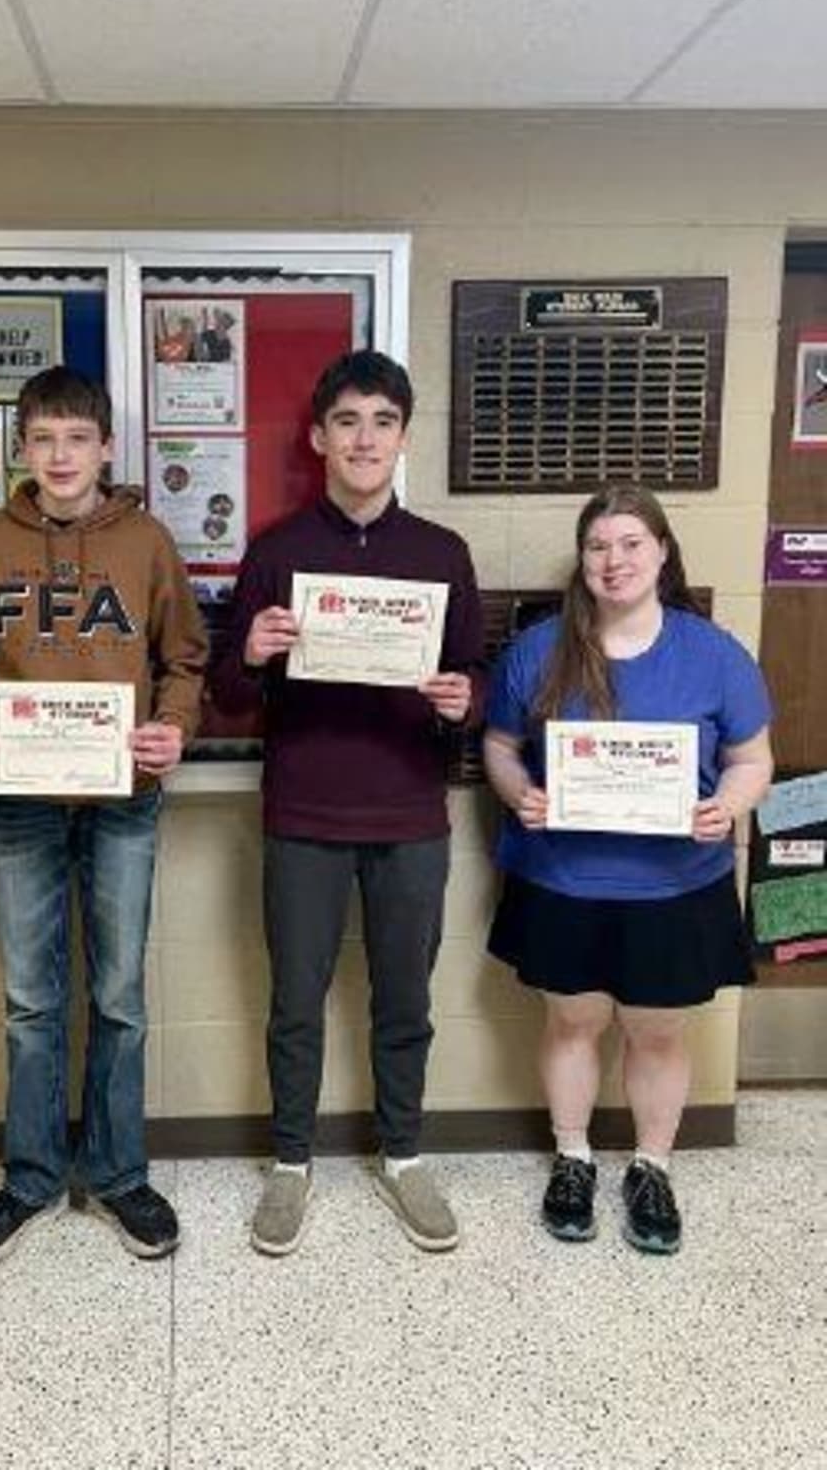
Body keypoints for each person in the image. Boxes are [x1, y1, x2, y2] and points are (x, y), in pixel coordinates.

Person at [211, 349, 485, 1256]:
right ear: (319, 437)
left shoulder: (441, 553)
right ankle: (292, 1163)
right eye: (349, 421)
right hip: (305, 818)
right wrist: (250, 649)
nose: (365, 438)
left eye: (383, 421)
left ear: (404, 437)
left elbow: (473, 677)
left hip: (409, 816)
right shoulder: (277, 551)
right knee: (296, 1000)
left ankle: (403, 1154)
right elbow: (229, 695)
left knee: (405, 1000)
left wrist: (463, 701)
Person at [0, 365, 207, 1268]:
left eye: (77, 438)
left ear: (105, 448)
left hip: (124, 798)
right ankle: (31, 1178)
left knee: (119, 995)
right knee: (29, 1001)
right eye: (44, 438)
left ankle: (120, 1172)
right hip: (20, 802)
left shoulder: (148, 541)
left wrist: (172, 728)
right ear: (22, 447)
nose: (60, 455)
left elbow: (185, 661)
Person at [482, 484, 773, 1255]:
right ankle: (573, 1157)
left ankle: (651, 1166)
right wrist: (521, 795)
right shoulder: (539, 649)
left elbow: (751, 757)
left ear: (663, 553)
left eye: (631, 545)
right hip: (563, 879)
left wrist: (730, 805)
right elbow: (501, 747)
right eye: (599, 547)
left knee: (655, 1033)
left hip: (677, 885)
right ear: (582, 562)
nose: (615, 562)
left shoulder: (714, 653)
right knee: (572, 1020)